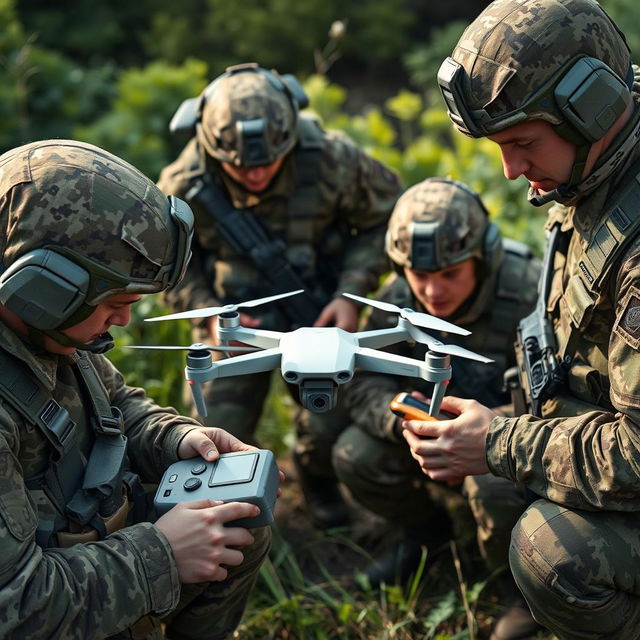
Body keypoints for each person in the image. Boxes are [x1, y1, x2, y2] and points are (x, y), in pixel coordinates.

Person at [402, 1, 640, 638]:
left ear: (589, 108)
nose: (510, 170)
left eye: (521, 144)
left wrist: (500, 443)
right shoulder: (595, 172)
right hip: (591, 419)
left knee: (551, 550)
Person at [0, 139, 275, 640]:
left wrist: (176, 438)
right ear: (41, 287)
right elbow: (16, 605)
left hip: (83, 542)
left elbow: (116, 408)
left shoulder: (51, 332)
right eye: (114, 302)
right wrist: (161, 556)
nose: (124, 320)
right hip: (41, 601)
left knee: (236, 521)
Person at [157, 62, 403, 528]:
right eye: (239, 166)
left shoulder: (332, 160)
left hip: (321, 314)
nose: (255, 175)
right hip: (232, 330)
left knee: (331, 420)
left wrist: (351, 295)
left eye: (269, 162)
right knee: (214, 438)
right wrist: (208, 315)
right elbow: (168, 265)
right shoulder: (184, 184)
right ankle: (226, 526)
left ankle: (319, 485)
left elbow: (388, 220)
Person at [331, 178, 540, 632]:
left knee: (491, 489)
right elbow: (363, 377)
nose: (432, 291)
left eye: (449, 275)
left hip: (509, 448)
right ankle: (428, 538)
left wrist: (493, 434)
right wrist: (403, 419)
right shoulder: (397, 300)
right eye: (419, 275)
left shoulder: (530, 296)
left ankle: (524, 588)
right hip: (429, 434)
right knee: (354, 453)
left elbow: (564, 402)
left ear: (483, 259)